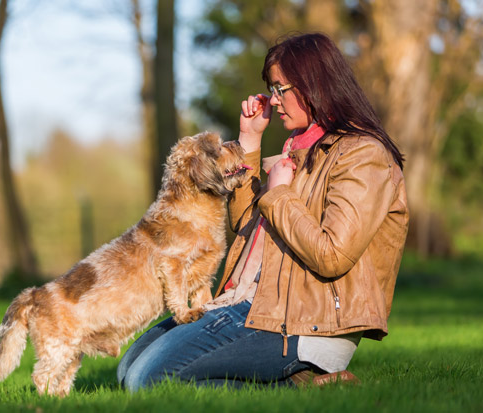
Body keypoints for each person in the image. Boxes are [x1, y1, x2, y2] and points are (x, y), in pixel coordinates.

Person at [117, 32, 409, 391]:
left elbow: (332, 255)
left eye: (280, 88)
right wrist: (249, 142)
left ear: (313, 84)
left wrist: (280, 193)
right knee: (128, 368)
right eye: (272, 89)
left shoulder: (363, 154)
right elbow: (246, 228)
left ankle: (303, 387)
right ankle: (295, 382)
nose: (274, 99)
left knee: (147, 381)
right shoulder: (297, 149)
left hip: (304, 322)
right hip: (251, 302)